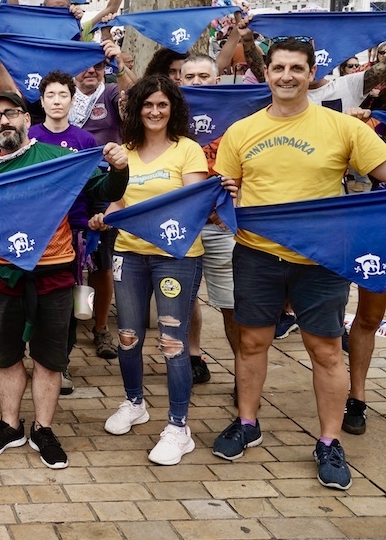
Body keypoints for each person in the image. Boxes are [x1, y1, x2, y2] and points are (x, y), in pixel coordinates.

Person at [212, 38, 386, 489]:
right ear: (267, 73)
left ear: (311, 74)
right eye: (278, 68)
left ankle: (329, 442)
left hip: (322, 258)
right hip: (257, 254)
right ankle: (247, 422)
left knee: (325, 350)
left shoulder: (343, 128)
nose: (286, 76)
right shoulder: (241, 132)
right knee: (252, 343)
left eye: (296, 68)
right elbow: (222, 196)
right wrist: (224, 199)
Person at [0, 91, 128, 469]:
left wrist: (119, 169)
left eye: (11, 113)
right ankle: (9, 426)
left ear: (27, 119)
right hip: (1, 275)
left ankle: (43, 429)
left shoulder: (59, 158)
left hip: (53, 272)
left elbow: (104, 190)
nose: (4, 121)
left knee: (49, 358)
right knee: (5, 355)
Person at [91, 75, 208, 466]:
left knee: (172, 342)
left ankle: (179, 428)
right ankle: (134, 403)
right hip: (129, 253)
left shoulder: (188, 150)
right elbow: (119, 203)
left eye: (162, 105)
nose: (155, 112)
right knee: (127, 336)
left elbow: (191, 205)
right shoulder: (125, 152)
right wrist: (105, 218)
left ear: (173, 109)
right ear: (136, 110)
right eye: (147, 105)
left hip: (176, 256)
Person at [26, 71, 99, 395]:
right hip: (35, 230)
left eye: (63, 95)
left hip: (74, 231)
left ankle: (60, 362)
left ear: (72, 100)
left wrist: (96, 218)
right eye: (51, 95)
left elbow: (96, 185)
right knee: (27, 299)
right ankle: (17, 360)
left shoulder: (85, 141)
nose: (57, 101)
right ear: (41, 101)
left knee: (66, 303)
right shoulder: (29, 137)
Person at [69, 44, 135, 360]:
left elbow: (135, 98)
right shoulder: (61, 96)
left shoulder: (109, 92)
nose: (91, 70)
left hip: (103, 185)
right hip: (68, 189)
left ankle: (100, 327)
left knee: (100, 262)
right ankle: (72, 322)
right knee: (69, 262)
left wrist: (119, 64)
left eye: (98, 65)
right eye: (85, 64)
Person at [179, 54, 240, 389]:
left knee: (231, 303)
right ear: (180, 82)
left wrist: (231, 204)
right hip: (184, 224)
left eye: (204, 76)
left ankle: (244, 371)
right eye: (190, 77)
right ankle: (193, 357)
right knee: (184, 298)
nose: (197, 82)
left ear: (217, 81)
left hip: (221, 224)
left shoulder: (237, 117)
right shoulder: (170, 117)